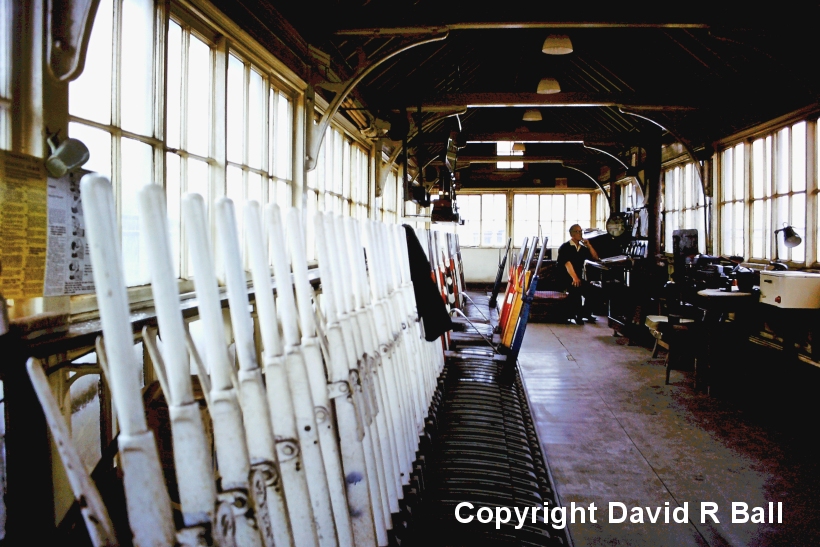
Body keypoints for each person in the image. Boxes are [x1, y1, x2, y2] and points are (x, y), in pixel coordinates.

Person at [557, 224, 599, 325]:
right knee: (576, 289)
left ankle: (586, 313)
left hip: (578, 277)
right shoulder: (565, 247)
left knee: (592, 290)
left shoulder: (582, 248)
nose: (580, 234)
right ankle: (577, 315)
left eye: (581, 231)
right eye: (578, 232)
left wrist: (589, 245)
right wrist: (575, 278)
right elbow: (567, 264)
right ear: (572, 234)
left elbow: (595, 258)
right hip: (566, 277)